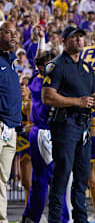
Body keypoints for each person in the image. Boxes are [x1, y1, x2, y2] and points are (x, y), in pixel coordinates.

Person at [42, 26, 95, 223]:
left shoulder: (86, 68)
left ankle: (80, 219)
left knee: (82, 177)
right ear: (64, 41)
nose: (79, 40)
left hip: (83, 126)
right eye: (75, 38)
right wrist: (78, 101)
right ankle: (55, 219)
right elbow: (47, 96)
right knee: (62, 173)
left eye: (81, 37)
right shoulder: (56, 65)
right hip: (65, 124)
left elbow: (92, 92)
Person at [23, 50, 70, 223]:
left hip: (40, 134)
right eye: (51, 63)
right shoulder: (43, 82)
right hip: (45, 134)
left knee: (39, 180)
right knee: (56, 179)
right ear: (43, 66)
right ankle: (62, 219)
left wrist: (42, 40)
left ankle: (31, 217)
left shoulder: (37, 78)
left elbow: (38, 60)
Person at [0, 21, 22, 223]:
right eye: (8, 32)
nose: (13, 36)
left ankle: (2, 218)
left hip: (11, 127)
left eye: (15, 33)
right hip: (0, 123)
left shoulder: (11, 62)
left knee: (3, 178)